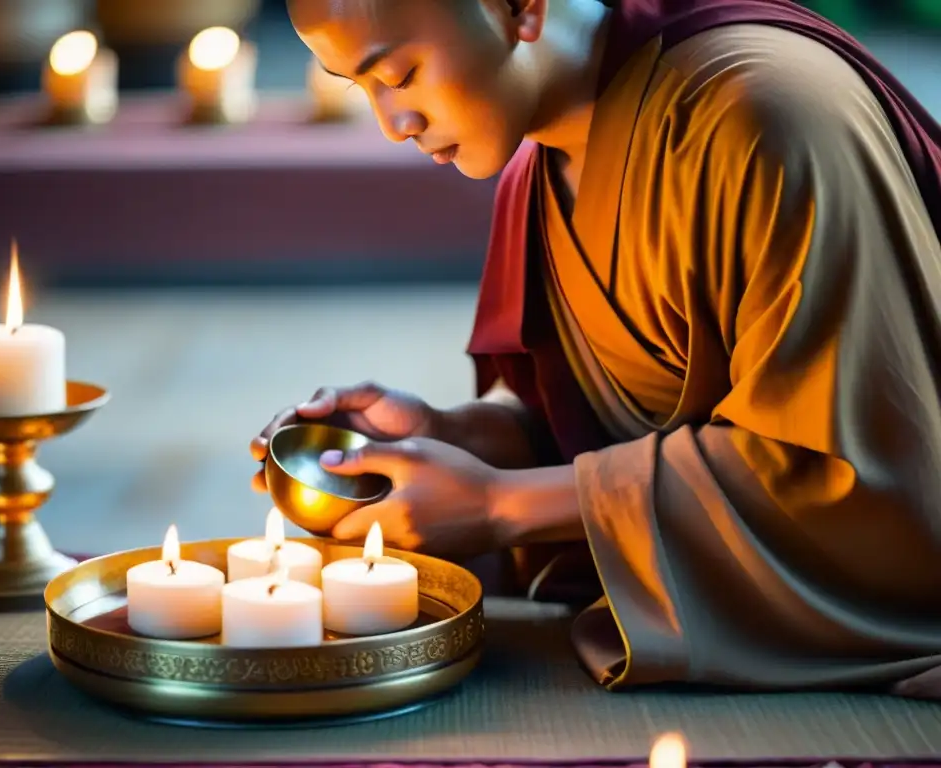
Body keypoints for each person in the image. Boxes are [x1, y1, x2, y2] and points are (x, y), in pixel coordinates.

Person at [251, 0, 941, 695]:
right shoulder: (537, 168)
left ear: (524, 8)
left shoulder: (768, 113)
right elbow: (587, 428)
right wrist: (450, 439)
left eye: (399, 74)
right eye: (358, 87)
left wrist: (501, 506)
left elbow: (857, 483)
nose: (393, 124)